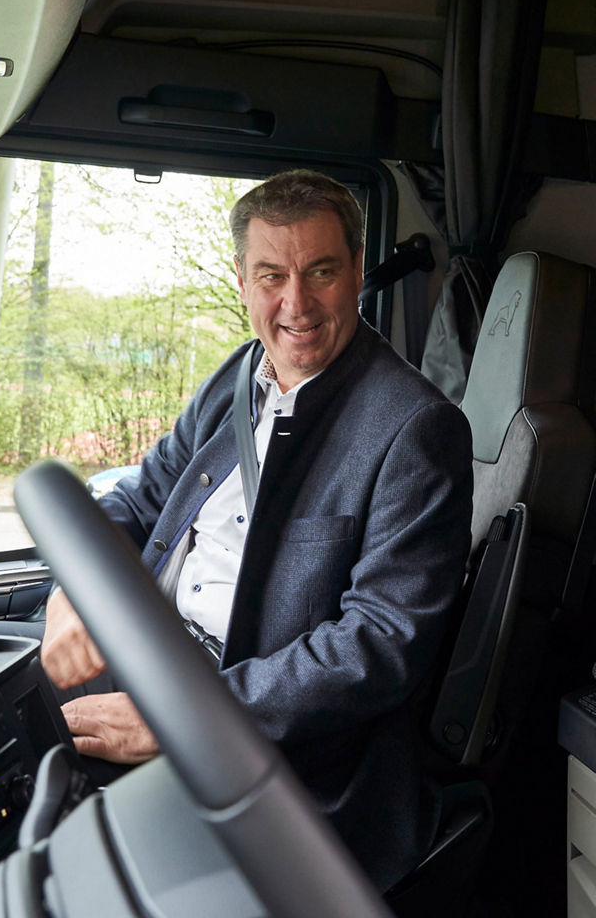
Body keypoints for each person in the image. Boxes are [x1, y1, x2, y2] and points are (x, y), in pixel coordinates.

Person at [41, 169, 473, 892]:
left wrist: (186, 721)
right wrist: (73, 590)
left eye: (322, 272)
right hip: (156, 661)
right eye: (271, 274)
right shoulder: (238, 377)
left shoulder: (417, 428)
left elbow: (378, 646)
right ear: (242, 280)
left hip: (276, 751)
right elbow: (140, 499)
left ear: (358, 273)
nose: (296, 304)